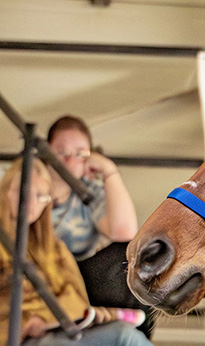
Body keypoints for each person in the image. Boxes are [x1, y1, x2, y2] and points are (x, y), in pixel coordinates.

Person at [0, 158, 188, 346]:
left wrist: (52, 320)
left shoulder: (54, 248)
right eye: (22, 191)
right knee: (124, 337)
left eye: (40, 196)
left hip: (61, 342)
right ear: (5, 191)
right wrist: (26, 323)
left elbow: (77, 302)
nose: (30, 202)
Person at [46, 115, 150, 329]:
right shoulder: (29, 183)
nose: (68, 161)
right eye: (61, 152)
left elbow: (125, 232)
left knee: (133, 256)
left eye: (79, 153)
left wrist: (109, 171)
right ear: (46, 152)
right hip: (40, 270)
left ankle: (133, 339)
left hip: (81, 276)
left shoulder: (89, 191)